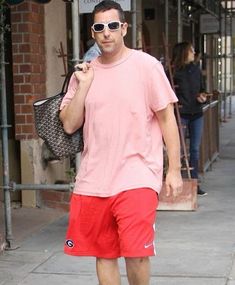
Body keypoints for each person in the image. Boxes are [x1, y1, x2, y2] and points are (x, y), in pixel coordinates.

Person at [59, 1, 183, 284]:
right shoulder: (84, 73)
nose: (107, 33)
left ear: (124, 28)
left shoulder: (147, 66)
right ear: (93, 32)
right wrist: (84, 85)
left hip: (137, 175)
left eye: (113, 26)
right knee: (104, 254)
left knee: (137, 254)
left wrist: (173, 169)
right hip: (94, 178)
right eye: (100, 27)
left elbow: (166, 119)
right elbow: (69, 124)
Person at [171, 41, 207, 196]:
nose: (194, 52)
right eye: (191, 50)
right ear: (184, 52)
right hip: (181, 114)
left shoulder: (196, 69)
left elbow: (202, 89)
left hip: (197, 114)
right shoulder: (172, 72)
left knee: (194, 149)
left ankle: (194, 183)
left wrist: (203, 97)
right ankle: (175, 182)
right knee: (177, 149)